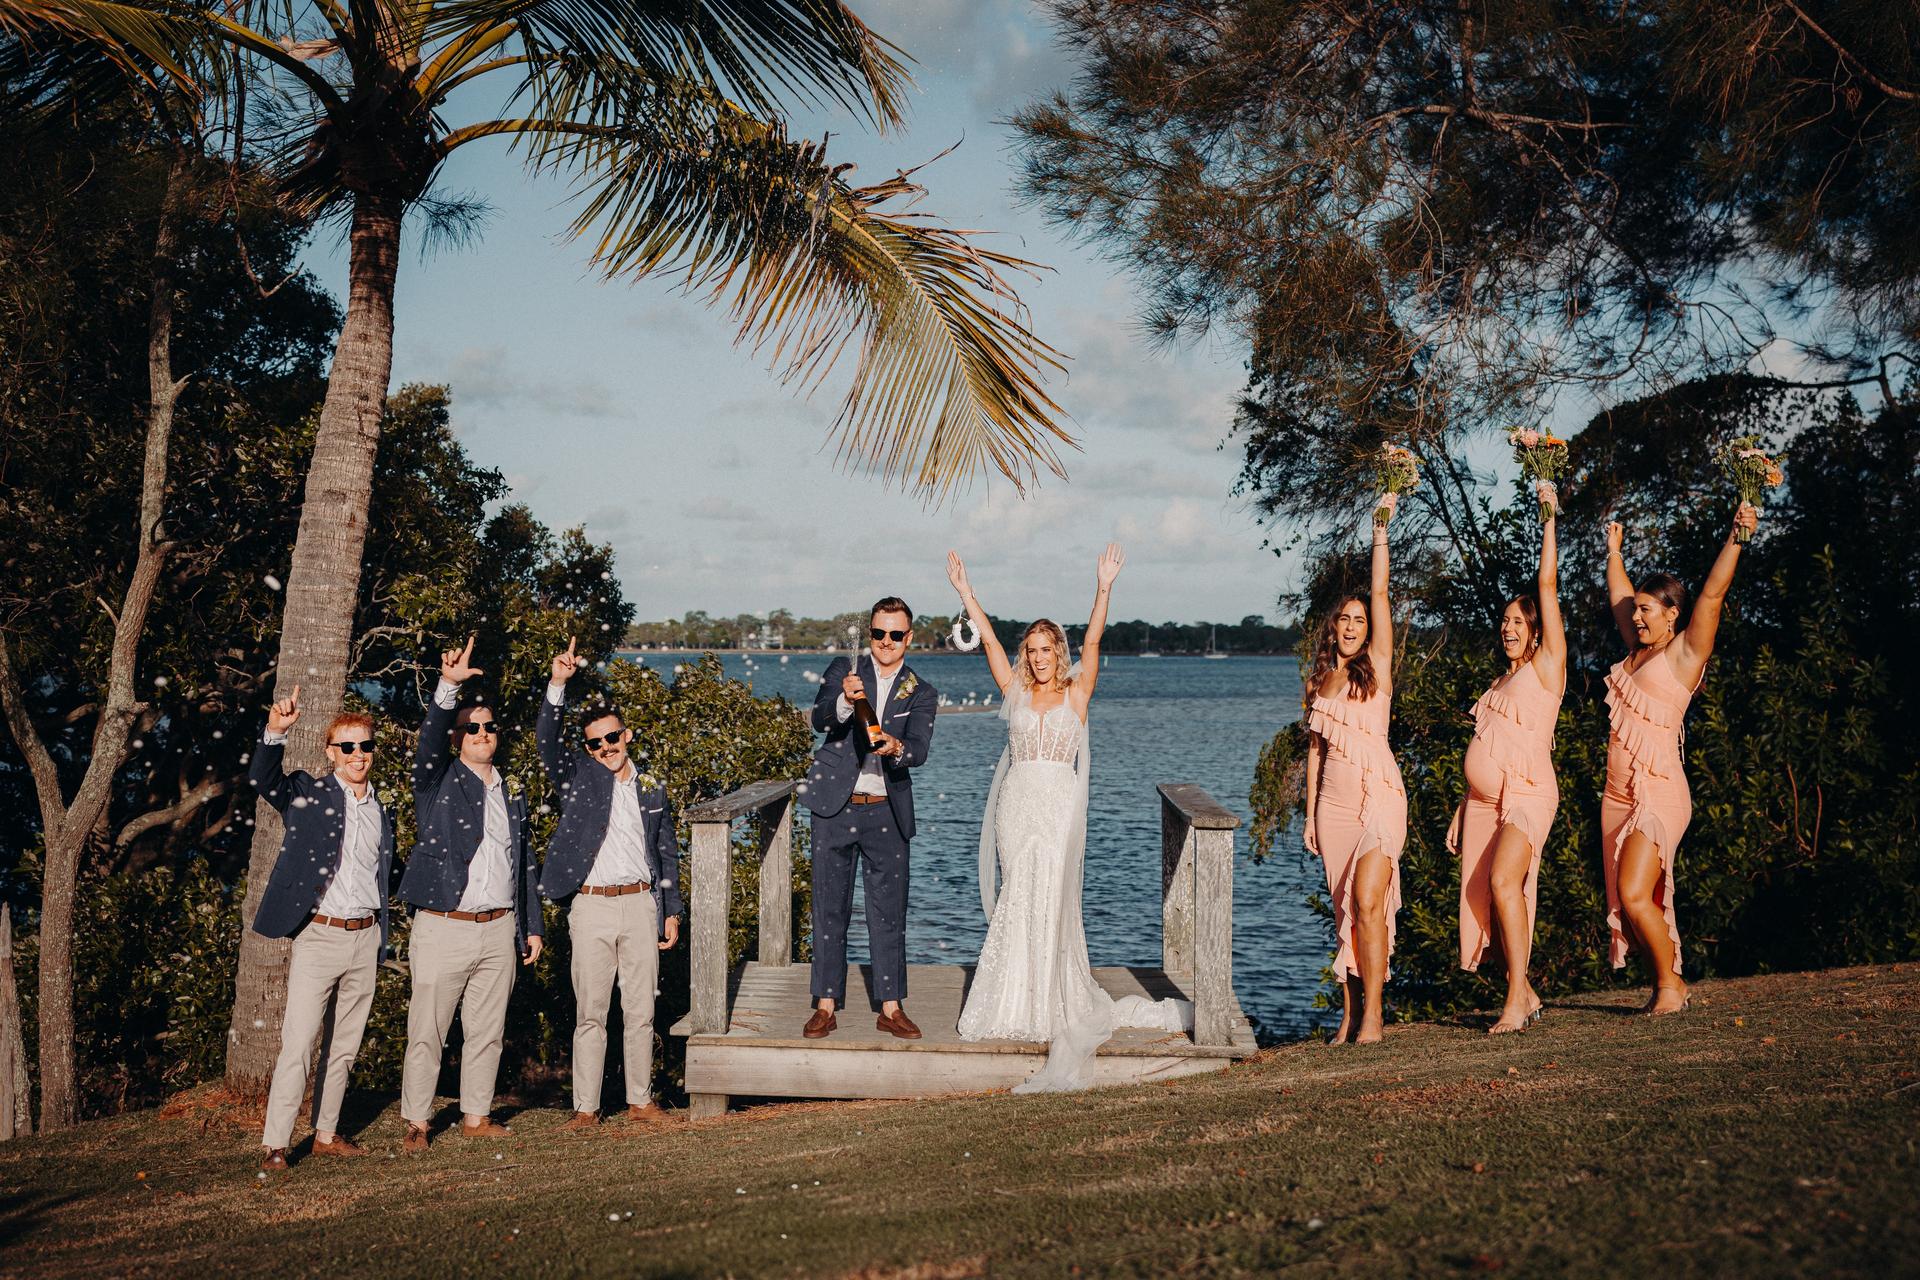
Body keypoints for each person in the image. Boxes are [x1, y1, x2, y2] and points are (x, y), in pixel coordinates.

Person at [950, 545, 1190, 1093]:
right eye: (1030, 650)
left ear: (1057, 651)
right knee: (1019, 897)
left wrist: (1103, 587)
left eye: (1045, 649)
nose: (1037, 658)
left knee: (1054, 899)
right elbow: (987, 640)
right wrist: (967, 595)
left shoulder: (1078, 693)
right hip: (1017, 805)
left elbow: (1094, 641)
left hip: (1059, 808)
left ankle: (1055, 999)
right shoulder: (1013, 691)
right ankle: (1013, 1001)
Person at [1602, 502, 1759, 1014]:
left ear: (1672, 614)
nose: (1637, 616)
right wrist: (1614, 553)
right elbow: (1619, 596)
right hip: (1618, 794)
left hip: (1659, 790)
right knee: (1630, 903)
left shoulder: (1684, 654)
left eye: (1649, 610)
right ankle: (1665, 986)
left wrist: (1735, 537)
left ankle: (1673, 987)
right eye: (1637, 610)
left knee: (1632, 890)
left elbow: (1712, 594)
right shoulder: (1634, 651)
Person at [398, 635, 544, 1151]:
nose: (482, 734)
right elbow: (428, 742)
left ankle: (476, 1115)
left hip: (499, 927)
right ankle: (416, 1120)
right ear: (459, 737)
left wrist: (532, 926)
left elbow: (522, 863)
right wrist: (447, 690)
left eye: (488, 728)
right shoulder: (435, 782)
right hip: (444, 924)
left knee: (487, 1031)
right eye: (471, 728)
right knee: (428, 1030)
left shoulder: (512, 791)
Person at [248, 686, 395, 1171]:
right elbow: (263, 778)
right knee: (300, 1042)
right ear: (332, 752)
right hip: (319, 935)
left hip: (365, 936)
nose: (358, 755)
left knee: (345, 1044)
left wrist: (379, 934)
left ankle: (327, 1133)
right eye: (347, 747)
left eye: (365, 746)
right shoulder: (309, 794)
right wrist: (275, 731)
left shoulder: (380, 811)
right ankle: (275, 1144)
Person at [538, 638, 683, 1129]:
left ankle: (641, 1102)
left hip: (641, 905)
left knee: (641, 1010)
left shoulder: (652, 786)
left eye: (612, 738)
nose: (606, 748)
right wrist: (559, 684)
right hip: (592, 908)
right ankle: (587, 1109)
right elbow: (545, 741)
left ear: (628, 734)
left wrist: (672, 908)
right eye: (596, 743)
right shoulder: (579, 777)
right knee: (591, 1013)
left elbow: (666, 851)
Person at [1449, 496, 1566, 1033]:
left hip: (1529, 794)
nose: (1508, 627)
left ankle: (1517, 1000)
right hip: (1485, 803)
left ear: (1538, 631)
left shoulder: (1546, 669)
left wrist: (1547, 516)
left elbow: (1547, 586)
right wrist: (1462, 805)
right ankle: (1525, 991)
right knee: (1487, 904)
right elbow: (1488, 746)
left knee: (1502, 882)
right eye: (1503, 620)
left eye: (1518, 621)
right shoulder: (1497, 683)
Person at [799, 597, 938, 1039]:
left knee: (888, 912)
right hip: (834, 807)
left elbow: (918, 749)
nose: (885, 642)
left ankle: (891, 1008)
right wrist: (844, 700)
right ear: (871, 633)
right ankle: (825, 1004)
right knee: (828, 909)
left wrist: (896, 748)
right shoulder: (845, 668)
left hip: (887, 812)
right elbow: (820, 718)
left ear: (908, 638)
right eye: (879, 633)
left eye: (895, 635)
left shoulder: (921, 690)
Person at [1303, 519, 1406, 1045]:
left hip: (1381, 796)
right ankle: (1349, 1015)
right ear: (1333, 626)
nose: (1351, 627)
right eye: (1343, 619)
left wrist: (1381, 532)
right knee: (1346, 908)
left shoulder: (1380, 665)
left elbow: (1382, 590)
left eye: (1359, 620)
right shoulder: (1320, 680)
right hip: (1334, 805)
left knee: (1369, 899)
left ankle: (1374, 1016)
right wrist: (1309, 816)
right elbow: (1316, 752)